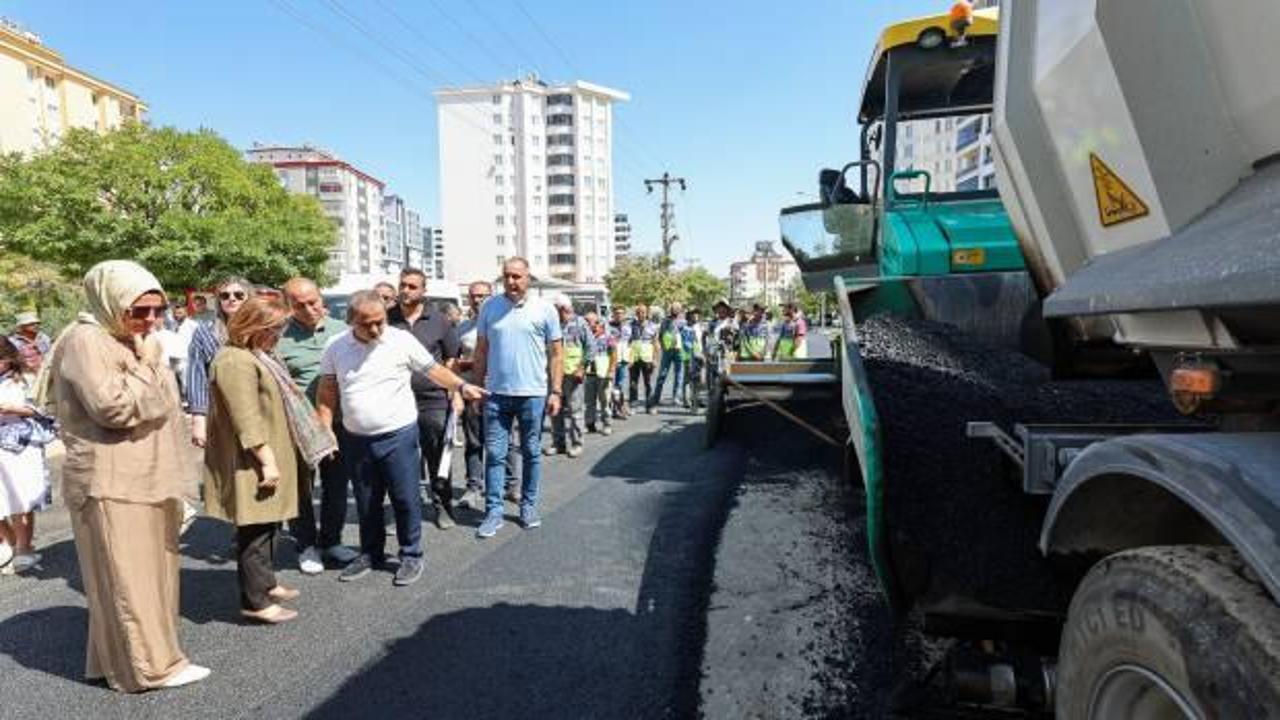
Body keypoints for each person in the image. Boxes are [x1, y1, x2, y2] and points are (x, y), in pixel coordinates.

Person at [51, 259, 209, 691]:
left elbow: (159, 402)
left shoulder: (130, 339)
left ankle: (118, 663)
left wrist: (145, 360)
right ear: (110, 302)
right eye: (139, 310)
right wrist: (149, 365)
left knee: (148, 576)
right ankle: (151, 668)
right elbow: (113, 408)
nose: (151, 320)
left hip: (145, 474)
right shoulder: (86, 339)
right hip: (111, 479)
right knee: (129, 579)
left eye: (158, 309)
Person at [317, 290, 483, 586]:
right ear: (351, 320)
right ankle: (371, 553)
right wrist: (325, 427)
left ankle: (411, 554)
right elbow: (327, 390)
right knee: (367, 502)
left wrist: (460, 386)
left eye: (379, 322)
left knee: (405, 498)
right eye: (366, 324)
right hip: (357, 439)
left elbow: (433, 370)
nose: (375, 329)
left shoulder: (400, 340)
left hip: (399, 436)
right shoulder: (335, 346)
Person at [204, 297, 329, 624]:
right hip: (254, 458)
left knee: (270, 523)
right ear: (253, 327)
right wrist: (267, 461)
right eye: (273, 329)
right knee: (256, 530)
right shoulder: (235, 361)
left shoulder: (255, 354)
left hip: (267, 452)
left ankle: (266, 583)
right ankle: (255, 601)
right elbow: (245, 417)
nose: (279, 335)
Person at [471, 257, 563, 538]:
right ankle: (494, 512)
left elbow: (557, 354)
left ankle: (528, 506)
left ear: (528, 278)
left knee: (532, 453)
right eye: (506, 276)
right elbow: (481, 350)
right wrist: (476, 388)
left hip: (532, 395)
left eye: (516, 276)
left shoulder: (545, 309)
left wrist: (556, 391)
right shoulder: (489, 307)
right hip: (496, 395)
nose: (511, 281)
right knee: (495, 455)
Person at [277, 278, 359, 574]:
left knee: (336, 486)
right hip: (299, 425)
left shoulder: (343, 331)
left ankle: (332, 541)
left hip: (339, 422)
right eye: (299, 305)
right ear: (288, 306)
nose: (309, 309)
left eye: (313, 302)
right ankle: (306, 544)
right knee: (301, 488)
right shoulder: (279, 337)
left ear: (321, 298)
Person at [387, 268, 462, 529]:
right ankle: (403, 512)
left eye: (412, 286)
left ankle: (442, 506)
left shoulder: (439, 320)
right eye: (403, 285)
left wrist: (454, 392)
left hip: (433, 400)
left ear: (423, 291)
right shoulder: (387, 319)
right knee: (400, 459)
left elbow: (451, 358)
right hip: (396, 400)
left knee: (438, 456)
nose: (405, 290)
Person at [455, 281, 519, 511]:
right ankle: (474, 486)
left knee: (506, 441)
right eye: (473, 296)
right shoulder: (462, 328)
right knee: (474, 441)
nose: (477, 300)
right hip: (472, 391)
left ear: (491, 297)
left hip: (499, 390)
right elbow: (454, 361)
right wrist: (466, 367)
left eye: (482, 296)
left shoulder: (504, 323)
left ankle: (512, 485)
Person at [0, 337, 50, 575]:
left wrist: (13, 409)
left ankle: (23, 547)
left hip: (21, 445)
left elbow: (42, 408)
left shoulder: (25, 379)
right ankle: (7, 543)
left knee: (21, 496)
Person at [188, 277, 252, 448]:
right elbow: (197, 375)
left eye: (238, 295)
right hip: (221, 409)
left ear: (249, 298)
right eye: (225, 296)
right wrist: (198, 420)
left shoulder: (261, 329)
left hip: (257, 405)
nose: (231, 299)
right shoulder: (204, 332)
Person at [549, 295, 589, 458]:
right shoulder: (552, 324)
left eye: (557, 309)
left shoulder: (580, 323)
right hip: (554, 374)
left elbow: (591, 347)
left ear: (564, 308)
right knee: (555, 409)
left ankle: (577, 443)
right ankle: (558, 443)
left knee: (575, 410)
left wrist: (582, 367)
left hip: (573, 375)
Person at [583, 311, 617, 437]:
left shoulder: (608, 337)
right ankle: (590, 424)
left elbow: (614, 354)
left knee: (605, 400)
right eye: (585, 321)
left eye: (588, 321)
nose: (586, 324)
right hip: (589, 374)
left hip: (604, 374)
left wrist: (611, 370)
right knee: (589, 401)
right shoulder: (585, 337)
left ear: (597, 323)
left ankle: (607, 424)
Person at [648, 302, 686, 412]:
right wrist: (664, 346)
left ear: (680, 310)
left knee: (679, 375)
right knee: (662, 374)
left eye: (678, 309)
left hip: (679, 351)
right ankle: (657, 396)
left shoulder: (683, 321)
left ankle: (676, 397)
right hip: (668, 351)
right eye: (674, 308)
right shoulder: (665, 321)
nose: (676, 310)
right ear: (671, 310)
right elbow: (660, 335)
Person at [628, 304, 658, 411]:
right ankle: (633, 404)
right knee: (633, 382)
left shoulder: (653, 326)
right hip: (634, 358)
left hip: (647, 358)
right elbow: (628, 342)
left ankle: (650, 405)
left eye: (643, 312)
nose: (641, 314)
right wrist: (628, 358)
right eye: (638, 312)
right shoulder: (631, 326)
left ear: (647, 313)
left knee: (648, 383)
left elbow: (655, 343)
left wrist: (655, 359)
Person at [608, 306, 632, 420]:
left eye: (621, 313)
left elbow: (630, 343)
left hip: (624, 360)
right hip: (613, 360)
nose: (619, 315)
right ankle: (612, 409)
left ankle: (620, 408)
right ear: (613, 314)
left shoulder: (628, 327)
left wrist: (631, 357)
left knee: (621, 386)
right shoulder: (608, 327)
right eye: (617, 313)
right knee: (611, 386)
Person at [9, 312, 51, 376]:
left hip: (46, 371)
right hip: (26, 374)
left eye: (37, 323)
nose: (36, 325)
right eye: (31, 324)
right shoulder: (13, 341)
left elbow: (50, 354)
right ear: (22, 326)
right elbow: (12, 361)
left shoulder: (44, 338)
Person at [681, 308, 706, 409]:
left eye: (697, 314)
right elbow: (685, 343)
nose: (696, 316)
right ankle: (686, 400)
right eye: (693, 314)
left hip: (699, 354)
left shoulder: (700, 327)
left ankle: (697, 399)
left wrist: (704, 352)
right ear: (689, 316)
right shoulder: (685, 328)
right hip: (689, 355)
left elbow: (702, 340)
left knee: (698, 379)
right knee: (688, 378)